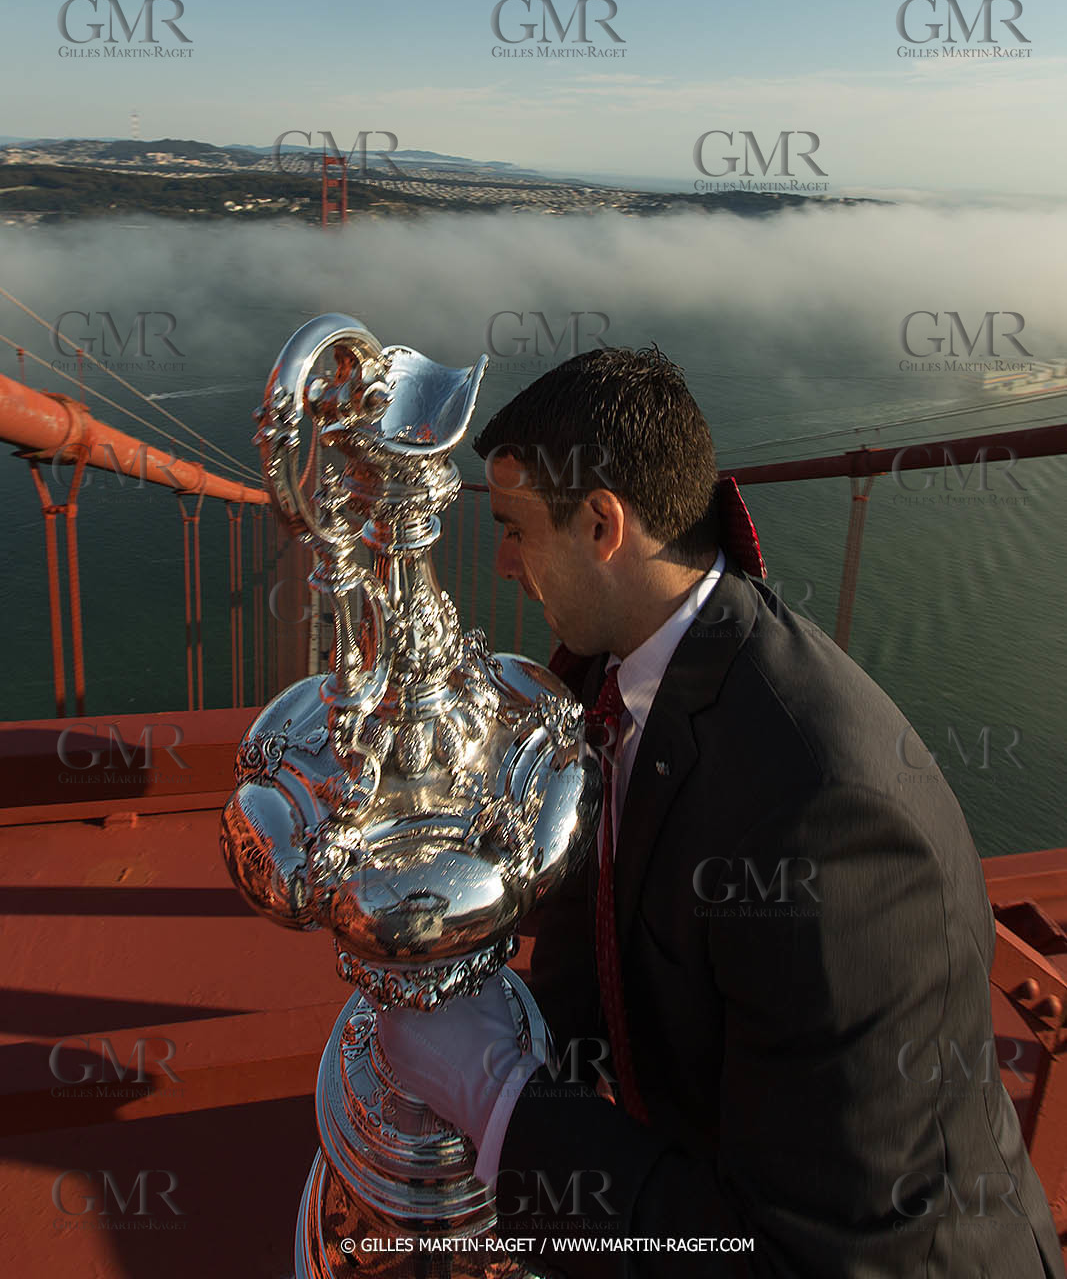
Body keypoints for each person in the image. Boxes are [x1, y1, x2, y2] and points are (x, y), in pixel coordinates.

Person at [379, 346, 1064, 1277]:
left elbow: (789, 1259)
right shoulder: (639, 673)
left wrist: (503, 1105)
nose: (501, 564)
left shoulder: (824, 822)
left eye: (511, 528)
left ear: (600, 524)